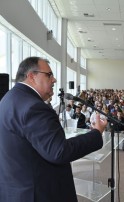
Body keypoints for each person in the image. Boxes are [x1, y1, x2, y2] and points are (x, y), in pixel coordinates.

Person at [0, 57, 107, 202]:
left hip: (17, 188)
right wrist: (96, 133)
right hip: (39, 193)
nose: (54, 80)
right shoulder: (33, 106)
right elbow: (59, 152)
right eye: (49, 74)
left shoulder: (8, 99)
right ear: (31, 76)